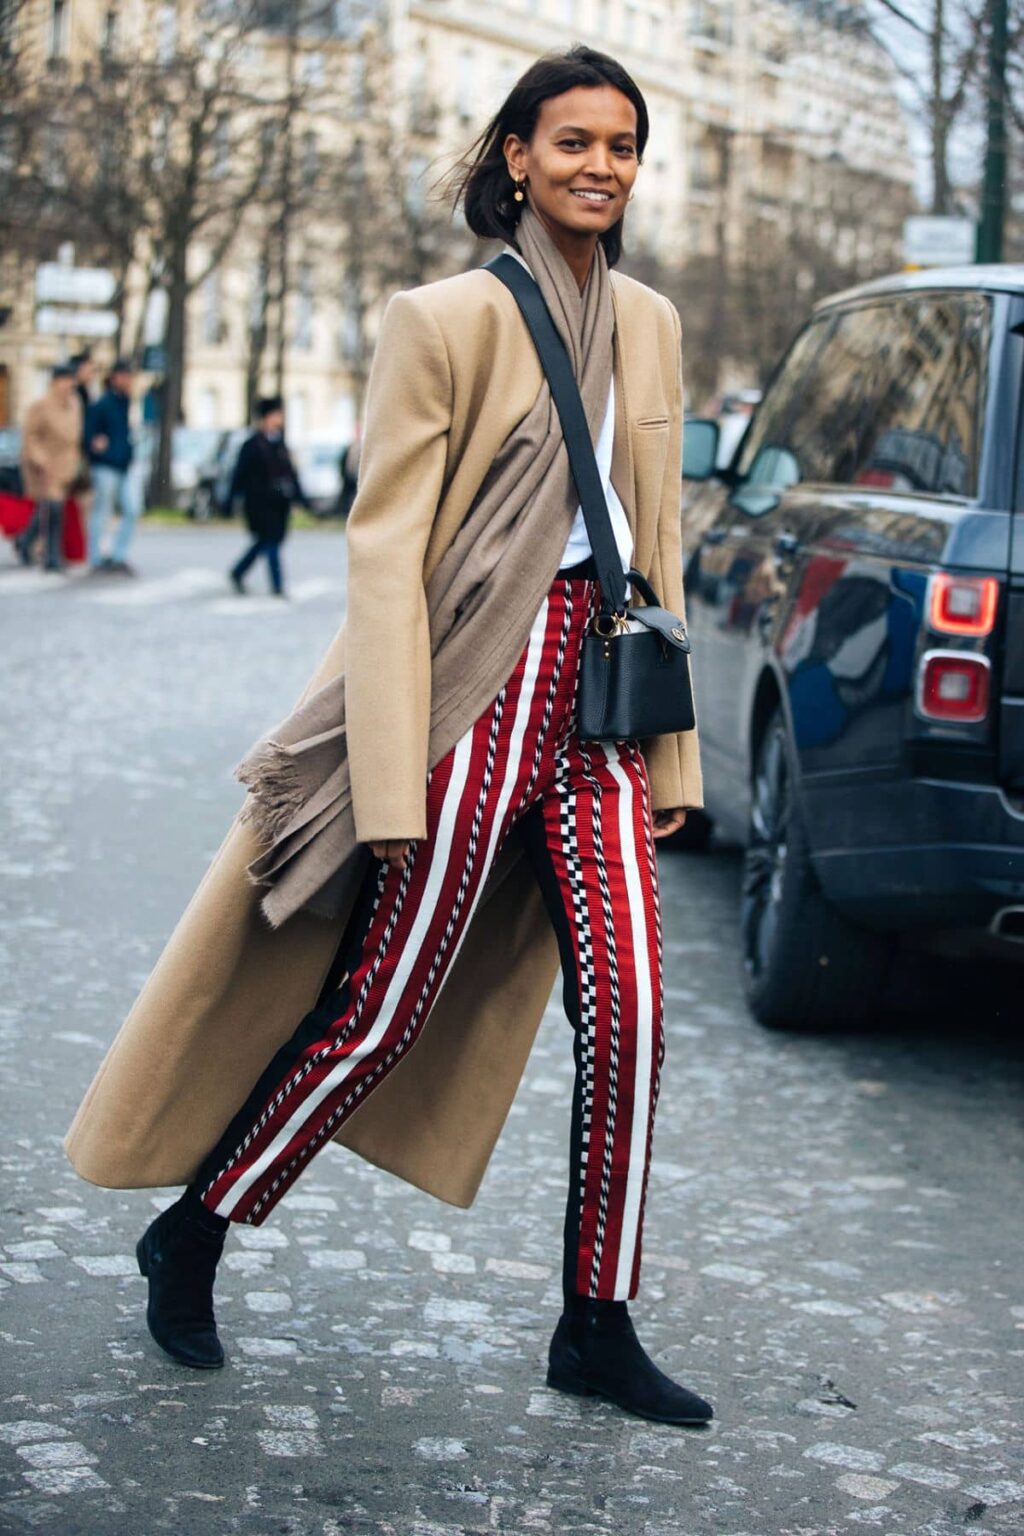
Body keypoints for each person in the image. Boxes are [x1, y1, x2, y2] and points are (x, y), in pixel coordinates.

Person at [66, 47, 711, 1427]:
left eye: (623, 144)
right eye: (575, 141)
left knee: (639, 1021)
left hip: (599, 701)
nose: (602, 164)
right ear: (518, 157)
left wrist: (676, 758)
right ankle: (197, 1227)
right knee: (381, 1010)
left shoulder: (653, 323)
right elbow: (383, 555)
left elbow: (657, 544)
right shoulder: (443, 317)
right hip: (466, 691)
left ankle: (595, 1323)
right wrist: (385, 770)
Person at [226, 397, 308, 597]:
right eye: (276, 415)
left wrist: (301, 499)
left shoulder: (280, 444)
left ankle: (238, 571)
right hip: (259, 504)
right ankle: (277, 586)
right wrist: (230, 500)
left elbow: (291, 474)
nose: (279, 419)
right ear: (266, 417)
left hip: (279, 504)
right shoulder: (252, 445)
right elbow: (239, 474)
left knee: (266, 542)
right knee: (270, 543)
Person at [16, 362, 83, 571]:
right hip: (44, 465)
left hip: (66, 465)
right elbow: (31, 436)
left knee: (49, 509)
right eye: (65, 380)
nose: (69, 385)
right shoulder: (41, 406)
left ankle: (25, 540)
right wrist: (40, 458)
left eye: (71, 380)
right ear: (55, 382)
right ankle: (52, 557)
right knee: (53, 510)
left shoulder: (74, 403)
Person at [86, 358, 140, 575]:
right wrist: (96, 445)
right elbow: (89, 434)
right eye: (125, 376)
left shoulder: (125, 402)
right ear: (115, 377)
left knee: (132, 509)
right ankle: (96, 557)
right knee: (102, 511)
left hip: (124, 465)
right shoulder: (103, 403)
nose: (129, 381)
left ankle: (118, 555)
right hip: (106, 466)